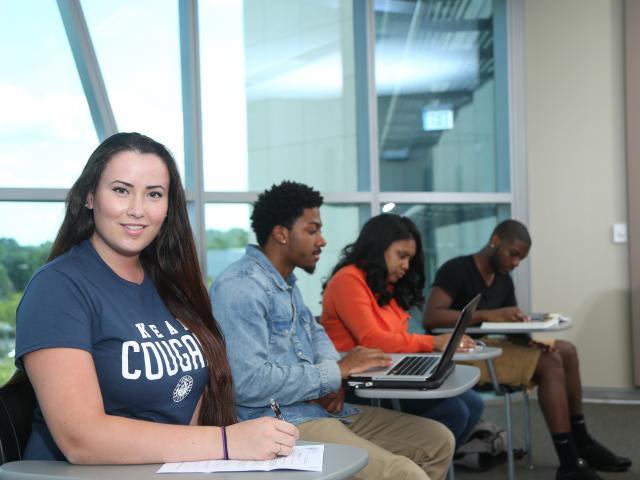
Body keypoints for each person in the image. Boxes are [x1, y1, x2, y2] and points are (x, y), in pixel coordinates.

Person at [14, 132, 298, 463]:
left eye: (154, 194)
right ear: (90, 197)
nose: (137, 210)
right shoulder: (57, 288)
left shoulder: (170, 284)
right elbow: (81, 439)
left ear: (167, 207)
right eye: (121, 190)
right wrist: (225, 443)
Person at [210, 181, 455, 480]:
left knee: (437, 440)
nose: (322, 240)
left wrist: (330, 380)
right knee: (403, 473)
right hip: (279, 422)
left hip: (317, 409)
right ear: (281, 234)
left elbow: (316, 335)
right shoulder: (240, 287)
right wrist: (333, 374)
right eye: (312, 230)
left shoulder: (287, 284)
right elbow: (247, 383)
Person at [423, 219, 631, 480]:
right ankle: (569, 463)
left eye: (521, 258)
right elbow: (431, 317)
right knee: (550, 362)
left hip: (483, 346)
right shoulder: (456, 269)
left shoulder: (503, 280)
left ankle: (583, 442)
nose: (515, 263)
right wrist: (492, 314)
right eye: (513, 254)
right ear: (495, 240)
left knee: (566, 350)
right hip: (459, 354)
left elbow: (510, 322)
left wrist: (527, 338)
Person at [321, 213, 483, 448]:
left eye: (410, 259)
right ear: (379, 248)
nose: (406, 266)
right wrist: (433, 343)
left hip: (387, 373)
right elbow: (372, 339)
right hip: (355, 386)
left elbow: (398, 335)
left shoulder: (383, 284)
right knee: (454, 411)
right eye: (402, 256)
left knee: (474, 404)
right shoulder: (348, 280)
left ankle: (426, 466)